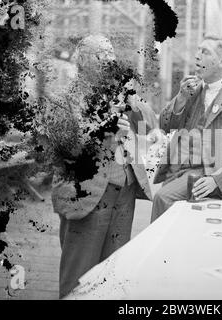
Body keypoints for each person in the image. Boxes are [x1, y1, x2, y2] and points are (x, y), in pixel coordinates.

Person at [49, 35, 152, 298]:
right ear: (83, 61)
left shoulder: (120, 93)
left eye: (110, 54)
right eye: (101, 55)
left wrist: (135, 103)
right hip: (89, 193)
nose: (109, 60)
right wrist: (104, 134)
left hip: (125, 190)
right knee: (80, 274)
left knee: (113, 271)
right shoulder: (66, 98)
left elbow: (151, 125)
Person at [151, 36, 222, 221]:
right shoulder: (190, 91)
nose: (197, 56)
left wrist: (216, 181)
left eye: (205, 51)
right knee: (168, 203)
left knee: (162, 198)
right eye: (198, 50)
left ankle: (160, 249)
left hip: (210, 174)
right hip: (178, 170)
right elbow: (164, 124)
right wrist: (181, 98)